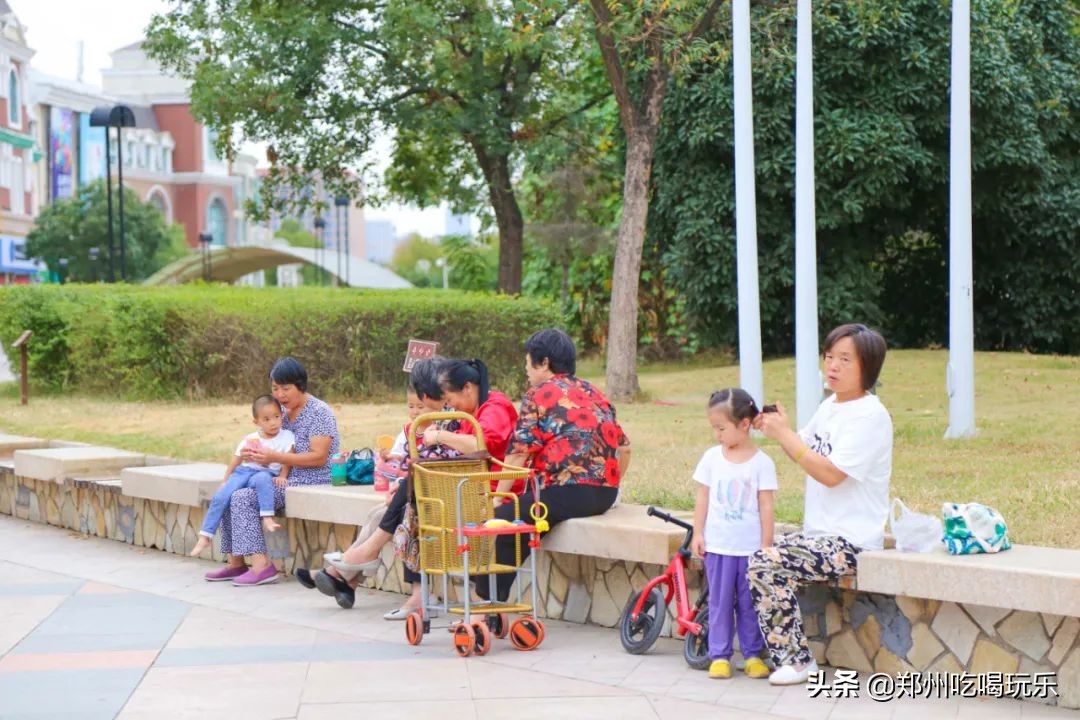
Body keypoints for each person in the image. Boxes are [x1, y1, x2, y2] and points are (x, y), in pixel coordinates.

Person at [749, 323, 892, 685]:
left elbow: (830, 473)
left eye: (845, 359)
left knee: (767, 561)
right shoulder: (831, 406)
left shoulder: (870, 416)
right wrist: (777, 428)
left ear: (868, 367)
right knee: (754, 548)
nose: (833, 366)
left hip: (851, 542)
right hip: (819, 535)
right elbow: (803, 449)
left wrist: (786, 436)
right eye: (830, 357)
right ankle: (752, 647)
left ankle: (797, 662)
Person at [295, 357, 464, 614]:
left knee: (407, 512)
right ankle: (346, 579)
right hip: (427, 491)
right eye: (413, 403)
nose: (418, 407)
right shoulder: (432, 421)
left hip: (447, 495)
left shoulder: (450, 418)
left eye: (421, 399)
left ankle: (346, 570)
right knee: (381, 513)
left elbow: (437, 464)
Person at [474, 328, 632, 602]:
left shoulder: (538, 394)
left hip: (567, 493)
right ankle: (493, 601)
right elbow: (625, 447)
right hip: (604, 496)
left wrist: (499, 497)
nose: (526, 369)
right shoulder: (592, 390)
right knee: (525, 512)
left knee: (507, 521)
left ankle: (488, 604)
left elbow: (518, 453)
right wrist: (612, 486)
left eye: (527, 362)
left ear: (543, 362)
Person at [204, 357, 340, 587]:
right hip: (278, 476)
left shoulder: (319, 412)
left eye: (285, 389)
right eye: (275, 389)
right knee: (230, 491)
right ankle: (235, 561)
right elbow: (267, 442)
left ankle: (261, 566)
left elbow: (319, 457)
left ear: (301, 385)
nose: (279, 395)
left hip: (311, 478)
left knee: (244, 497)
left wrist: (275, 458)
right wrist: (254, 454)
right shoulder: (281, 413)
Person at [690, 388, 775, 680]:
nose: (717, 435)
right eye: (714, 428)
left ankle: (753, 655)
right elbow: (702, 498)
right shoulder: (712, 458)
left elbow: (766, 505)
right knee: (720, 603)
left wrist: (766, 544)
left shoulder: (762, 463)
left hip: (750, 550)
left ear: (744, 424)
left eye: (721, 428)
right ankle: (720, 655)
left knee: (750, 604)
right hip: (719, 548)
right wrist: (698, 533)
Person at [189, 395, 295, 558]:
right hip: (244, 472)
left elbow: (288, 457)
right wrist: (226, 479)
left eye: (276, 417)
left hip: (266, 474)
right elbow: (236, 459)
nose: (273, 422)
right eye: (266, 419)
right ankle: (205, 536)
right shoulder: (251, 439)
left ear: (281, 415)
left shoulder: (287, 436)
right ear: (257, 422)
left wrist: (283, 475)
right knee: (221, 497)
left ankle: (267, 517)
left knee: (263, 480)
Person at [423, 358, 520, 491]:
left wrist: (440, 436)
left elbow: (479, 445)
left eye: (449, 399)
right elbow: (464, 441)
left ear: (467, 388)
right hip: (477, 483)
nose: (450, 405)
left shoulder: (496, 407)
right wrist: (439, 435)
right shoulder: (471, 412)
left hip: (498, 489)